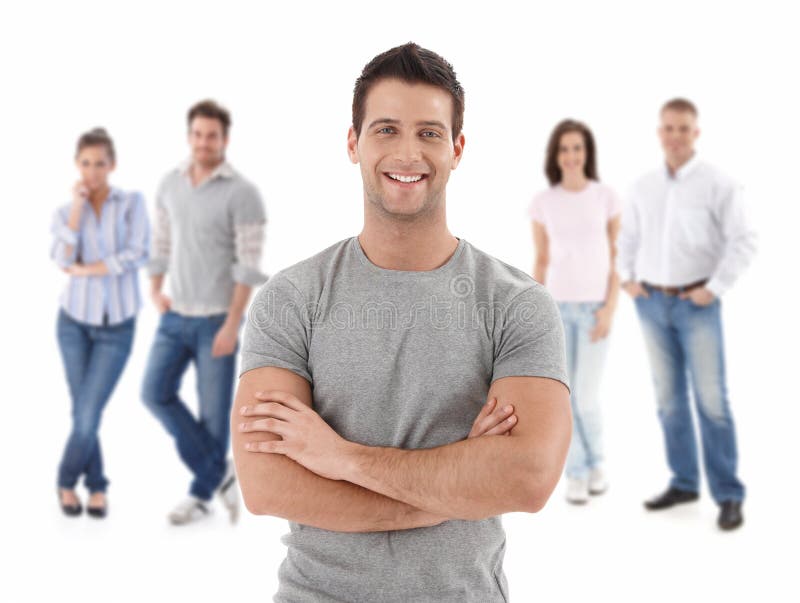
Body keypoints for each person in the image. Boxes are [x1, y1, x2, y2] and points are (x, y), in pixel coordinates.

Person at [232, 43, 572, 602]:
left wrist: (340, 458)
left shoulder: (517, 304)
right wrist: (460, 478)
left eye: (430, 133)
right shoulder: (291, 298)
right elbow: (266, 484)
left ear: (457, 148)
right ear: (354, 143)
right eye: (386, 129)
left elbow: (529, 479)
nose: (408, 152)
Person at [617, 98, 756, 531]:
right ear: (659, 132)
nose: (675, 136)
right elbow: (628, 237)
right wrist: (627, 279)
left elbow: (744, 241)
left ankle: (729, 495)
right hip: (651, 303)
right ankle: (683, 481)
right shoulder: (642, 186)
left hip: (697, 304)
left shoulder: (719, 184)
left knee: (712, 402)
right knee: (668, 400)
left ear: (696, 133)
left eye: (683, 128)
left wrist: (713, 289)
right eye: (668, 128)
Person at [141, 100, 267, 525]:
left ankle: (199, 494)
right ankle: (219, 474)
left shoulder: (242, 193)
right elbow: (161, 242)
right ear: (189, 135)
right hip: (175, 317)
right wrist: (155, 289)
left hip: (218, 319)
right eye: (197, 134)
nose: (203, 142)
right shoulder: (170, 184)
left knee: (214, 419)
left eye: (211, 135)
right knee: (153, 393)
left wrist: (233, 323)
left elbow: (247, 264)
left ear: (224, 140)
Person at [52, 127, 150, 518]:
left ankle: (64, 480)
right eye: (85, 163)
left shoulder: (131, 204)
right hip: (73, 322)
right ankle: (96, 486)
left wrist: (90, 268)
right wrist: (77, 209)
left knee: (87, 413)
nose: (92, 171)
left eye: (100, 163)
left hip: (117, 327)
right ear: (78, 165)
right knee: (84, 414)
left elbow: (137, 252)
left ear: (112, 165)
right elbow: (61, 259)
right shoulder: (64, 213)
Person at [529, 119, 621, 504]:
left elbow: (619, 257)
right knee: (564, 399)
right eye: (564, 149)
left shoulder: (605, 197)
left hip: (595, 308)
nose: (571, 156)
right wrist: (536, 311)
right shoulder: (543, 203)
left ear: (587, 153)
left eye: (577, 148)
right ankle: (578, 472)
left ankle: (597, 461)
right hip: (558, 310)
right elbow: (542, 259)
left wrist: (610, 309)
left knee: (586, 396)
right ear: (556, 155)